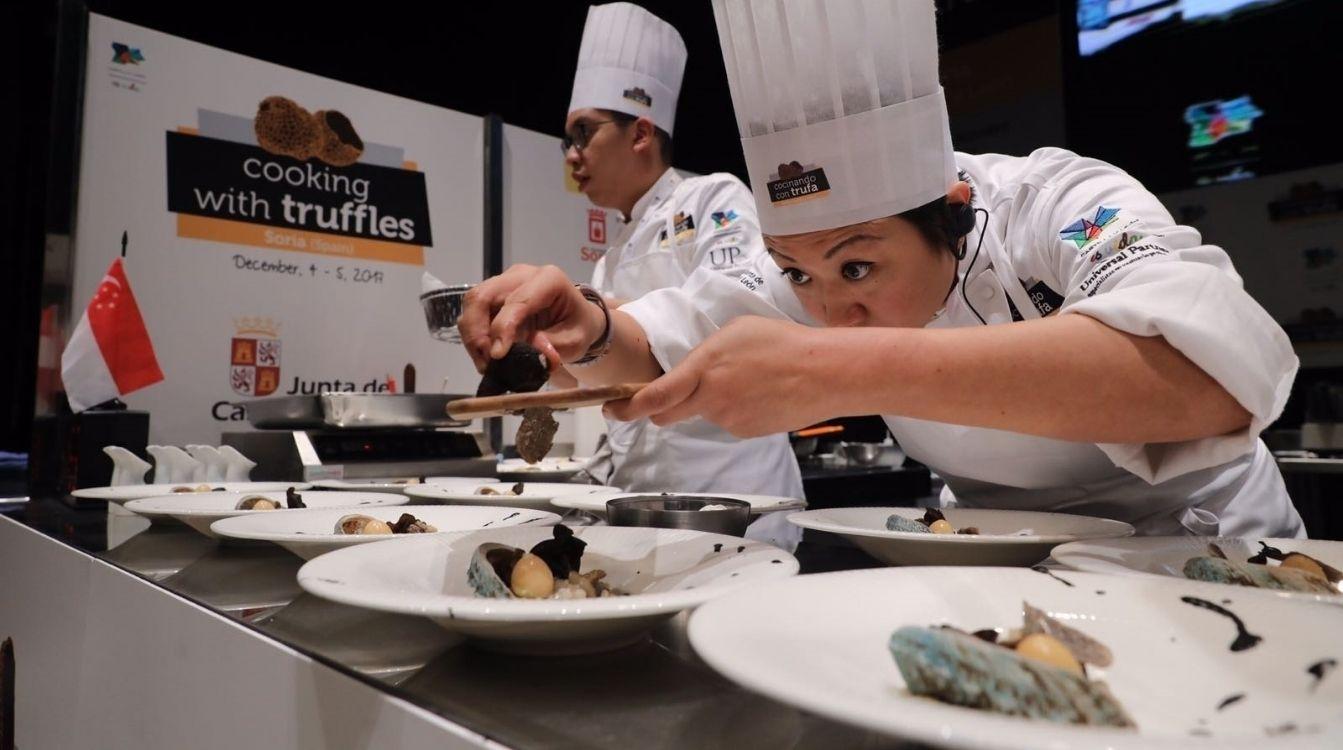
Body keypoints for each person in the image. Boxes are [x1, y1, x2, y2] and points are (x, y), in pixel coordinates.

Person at [461, 0, 1302, 538]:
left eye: (857, 268)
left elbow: (1207, 376)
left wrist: (838, 372)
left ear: (952, 204)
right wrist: (589, 323)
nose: (826, 311)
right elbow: (656, 344)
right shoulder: (799, 275)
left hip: (1199, 553)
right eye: (797, 275)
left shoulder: (1057, 204)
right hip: (991, 564)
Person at [557, 3, 804, 511]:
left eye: (583, 133)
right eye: (568, 139)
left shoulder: (714, 200)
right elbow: (597, 372)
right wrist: (543, 352)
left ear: (642, 134)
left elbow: (735, 326)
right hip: (640, 499)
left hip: (733, 496)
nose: (571, 154)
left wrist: (604, 321)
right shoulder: (610, 257)